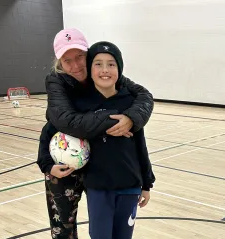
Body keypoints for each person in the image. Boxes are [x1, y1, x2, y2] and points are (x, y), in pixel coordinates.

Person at [37, 28, 154, 239]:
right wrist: (47, 164)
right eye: (67, 60)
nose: (75, 65)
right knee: (63, 228)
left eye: (80, 57)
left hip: (99, 172)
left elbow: (144, 96)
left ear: (88, 55)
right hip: (66, 165)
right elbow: (54, 125)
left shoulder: (105, 75)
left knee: (106, 227)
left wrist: (132, 118)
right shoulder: (58, 83)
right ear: (60, 64)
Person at [81, 41, 155, 239]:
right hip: (98, 189)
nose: (105, 70)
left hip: (129, 187)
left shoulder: (131, 104)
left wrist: (147, 183)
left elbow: (141, 146)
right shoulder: (81, 104)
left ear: (119, 69)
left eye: (111, 64)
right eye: (98, 63)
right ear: (89, 68)